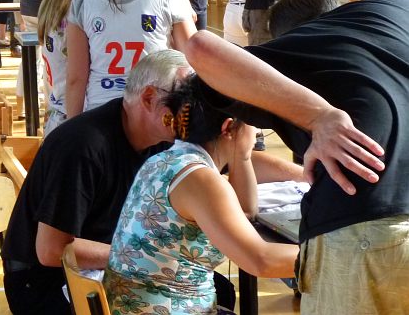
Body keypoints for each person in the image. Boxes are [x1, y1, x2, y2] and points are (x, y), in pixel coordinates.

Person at [194, 0, 409, 314]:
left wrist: (320, 115)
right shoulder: (394, 8)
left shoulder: (298, 46)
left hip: (368, 228)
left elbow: (201, 47)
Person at [2, 51, 192, 315]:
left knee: (216, 288)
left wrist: (240, 153)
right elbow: (52, 250)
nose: (189, 113)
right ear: (149, 98)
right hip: (41, 282)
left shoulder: (159, 138)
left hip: (96, 267)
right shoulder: (84, 145)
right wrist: (143, 258)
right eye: (182, 101)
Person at [104, 76, 298, 314]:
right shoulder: (200, 179)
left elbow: (244, 212)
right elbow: (261, 260)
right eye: (254, 124)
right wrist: (327, 252)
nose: (257, 132)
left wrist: (242, 155)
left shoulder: (164, 160)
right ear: (228, 128)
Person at [37, 0, 100, 136]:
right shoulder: (78, 12)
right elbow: (77, 78)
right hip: (76, 117)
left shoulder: (51, 8)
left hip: (57, 111)